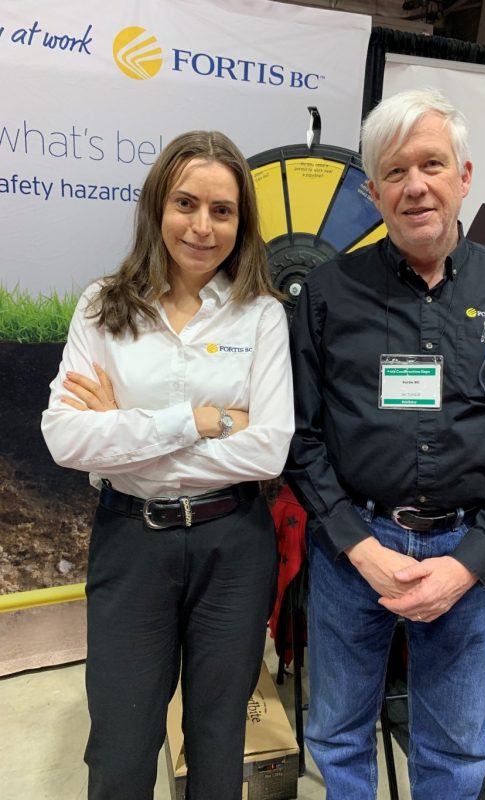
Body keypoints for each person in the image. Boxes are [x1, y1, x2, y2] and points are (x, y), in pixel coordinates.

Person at [284, 89, 485, 799]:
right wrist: (360, 546)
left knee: (455, 748)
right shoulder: (326, 295)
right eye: (395, 171)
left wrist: (472, 562)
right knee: (337, 734)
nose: (416, 186)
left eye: (433, 165)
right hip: (355, 552)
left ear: (464, 176)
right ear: (373, 190)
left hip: (467, 558)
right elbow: (300, 432)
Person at [41, 130, 294, 800]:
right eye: (187, 203)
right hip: (132, 543)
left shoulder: (262, 317)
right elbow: (66, 439)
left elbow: (268, 449)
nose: (203, 226)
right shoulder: (104, 307)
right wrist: (202, 420)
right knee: (121, 749)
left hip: (234, 543)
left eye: (222, 210)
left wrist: (122, 425)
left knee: (218, 741)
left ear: (241, 223)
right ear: (158, 205)